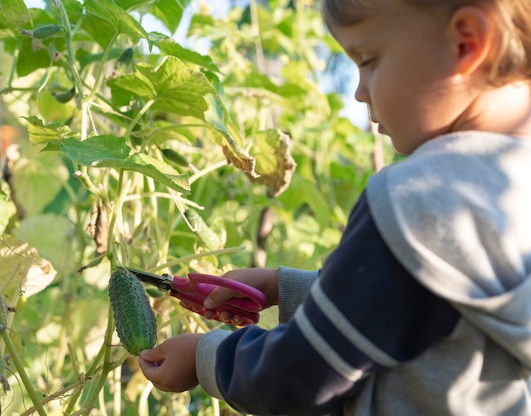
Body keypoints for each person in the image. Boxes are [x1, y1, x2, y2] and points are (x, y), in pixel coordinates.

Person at [138, 0, 531, 414]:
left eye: (369, 60)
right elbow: (415, 305)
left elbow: (298, 375)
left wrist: (206, 358)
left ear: (466, 43)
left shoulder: (417, 196)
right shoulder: (508, 186)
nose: (359, 91)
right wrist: (284, 287)